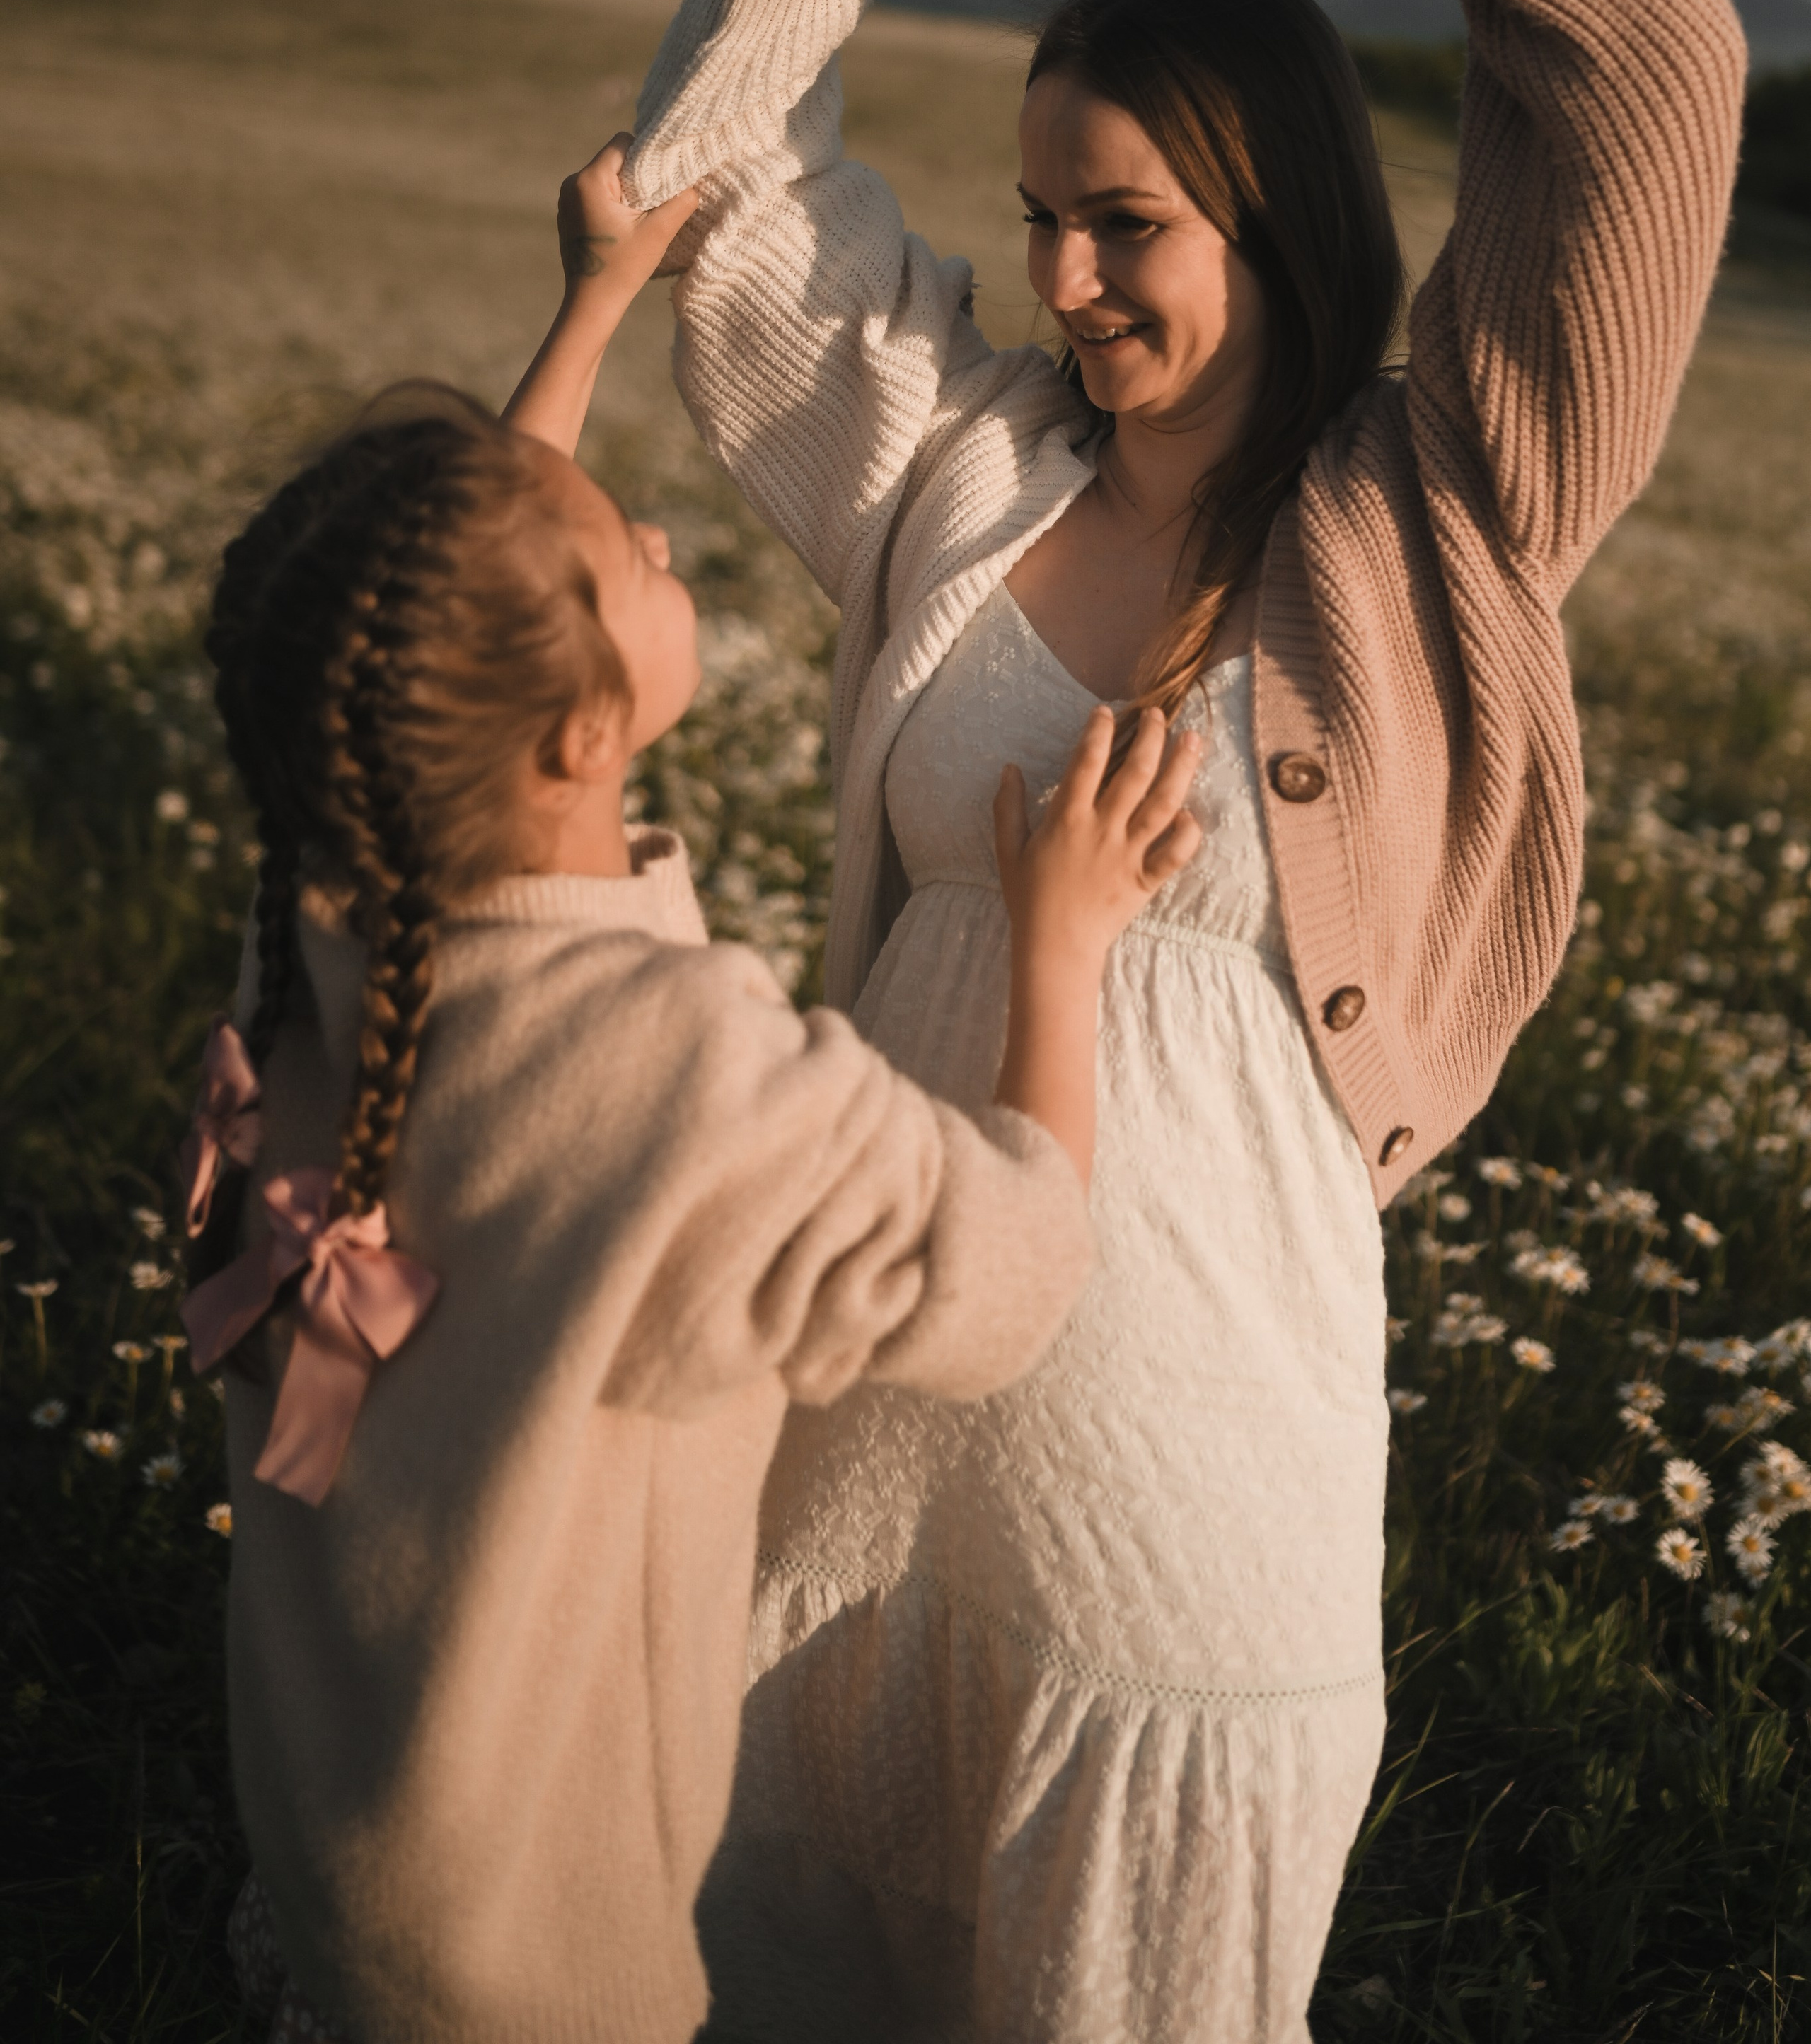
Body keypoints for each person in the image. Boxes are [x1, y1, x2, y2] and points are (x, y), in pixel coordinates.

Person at [560, 0, 1743, 2039]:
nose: (1071, 282)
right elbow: (718, 201)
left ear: (1275, 216)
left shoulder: (1446, 519)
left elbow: (1654, 72)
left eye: (1130, 227)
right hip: (859, 1468)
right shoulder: (957, 481)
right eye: (1043, 218)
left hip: (1190, 1514)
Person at [181, 141, 1204, 2044]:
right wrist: (1062, 943)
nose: (649, 530)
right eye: (617, 556)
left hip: (336, 1860)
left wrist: (591, 302)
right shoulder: (689, 1080)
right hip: (548, 1958)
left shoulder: (314, 944)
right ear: (581, 733)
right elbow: (1009, 1278)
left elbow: (418, 626)